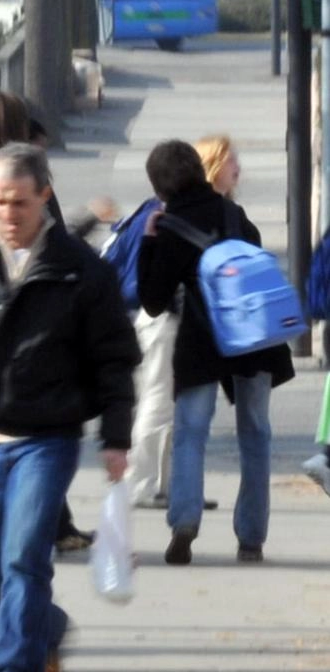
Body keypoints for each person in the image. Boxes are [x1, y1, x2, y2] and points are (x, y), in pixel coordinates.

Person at [0, 142, 141, 672]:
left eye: (20, 203)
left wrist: (116, 436)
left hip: (47, 439)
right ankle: (49, 625)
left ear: (45, 196)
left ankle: (16, 663)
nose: (8, 215)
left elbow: (113, 359)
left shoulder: (81, 271)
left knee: (23, 561)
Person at [138, 139, 294, 565]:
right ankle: (251, 537)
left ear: (161, 189)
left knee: (191, 433)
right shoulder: (235, 214)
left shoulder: (170, 228)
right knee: (255, 435)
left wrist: (149, 244)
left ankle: (185, 520)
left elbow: (152, 301)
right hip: (254, 339)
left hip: (201, 341)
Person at [0, 89, 95, 555]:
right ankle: (47, 529)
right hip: (29, 330)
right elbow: (53, 240)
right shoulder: (21, 175)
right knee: (36, 439)